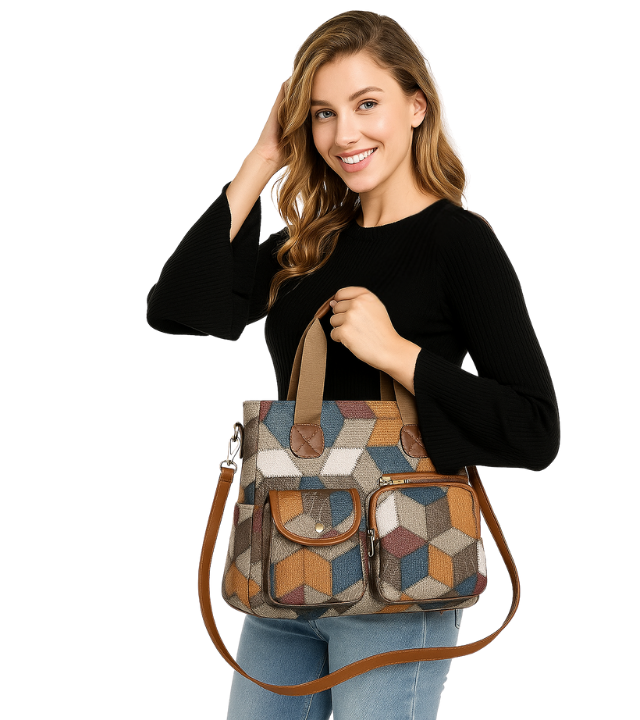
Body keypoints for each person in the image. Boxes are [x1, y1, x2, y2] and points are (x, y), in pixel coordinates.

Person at [146, 10, 560, 720]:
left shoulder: (459, 244)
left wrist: (397, 353)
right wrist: (261, 160)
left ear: (416, 105)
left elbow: (534, 428)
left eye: (367, 104)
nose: (344, 135)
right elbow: (177, 307)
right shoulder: (310, 244)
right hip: (289, 560)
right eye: (323, 113)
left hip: (401, 571)